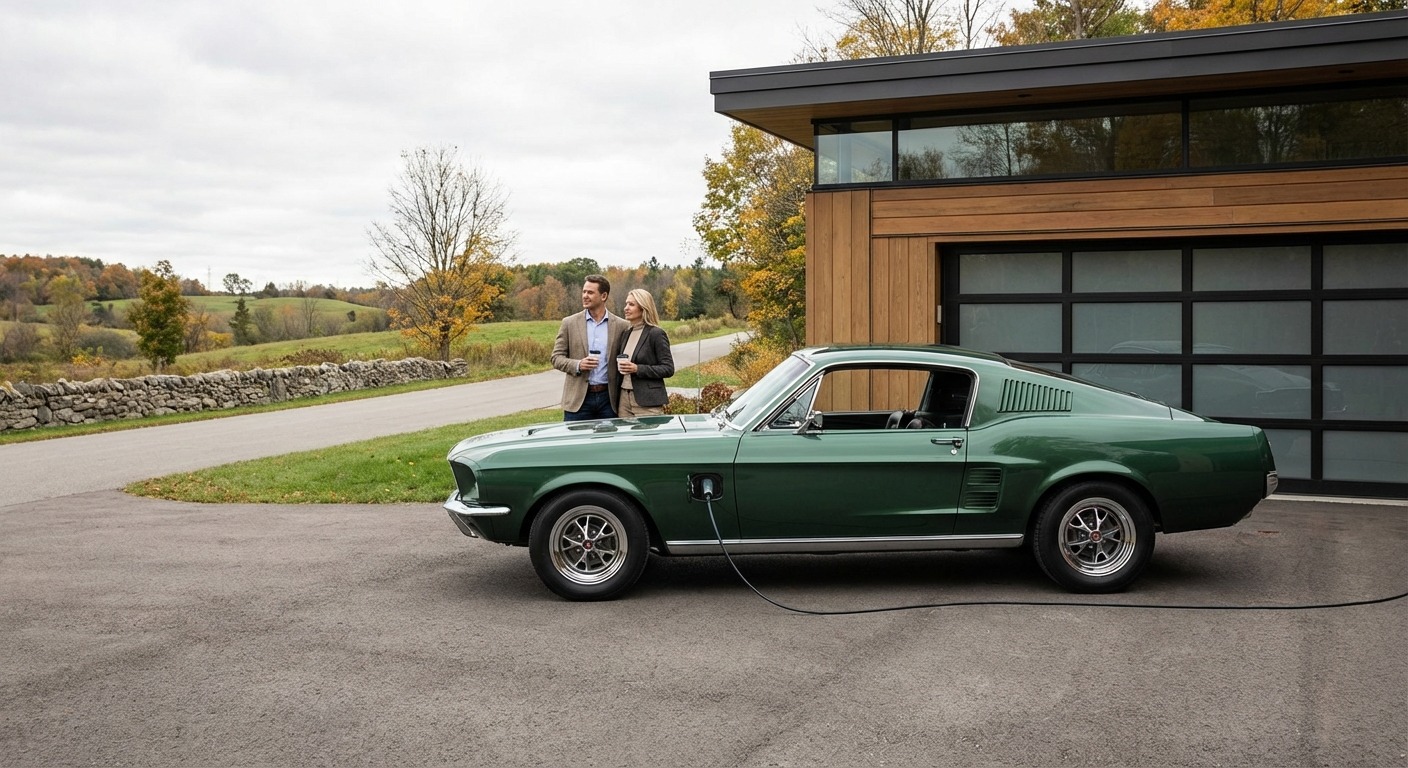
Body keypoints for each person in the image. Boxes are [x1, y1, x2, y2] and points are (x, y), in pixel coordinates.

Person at [551, 275, 629, 421]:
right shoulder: (569, 323)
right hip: (578, 400)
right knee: (576, 437)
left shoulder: (621, 326)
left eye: (590, 292)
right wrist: (578, 365)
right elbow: (556, 358)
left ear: (603, 296)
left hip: (609, 400)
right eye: (584, 291)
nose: (585, 296)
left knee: (610, 437)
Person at [613, 288, 674, 418]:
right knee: (625, 432)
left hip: (648, 401)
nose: (626, 308)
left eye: (631, 304)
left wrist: (637, 369)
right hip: (624, 399)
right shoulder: (626, 334)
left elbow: (668, 369)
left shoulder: (656, 334)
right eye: (626, 304)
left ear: (643, 308)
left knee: (647, 432)